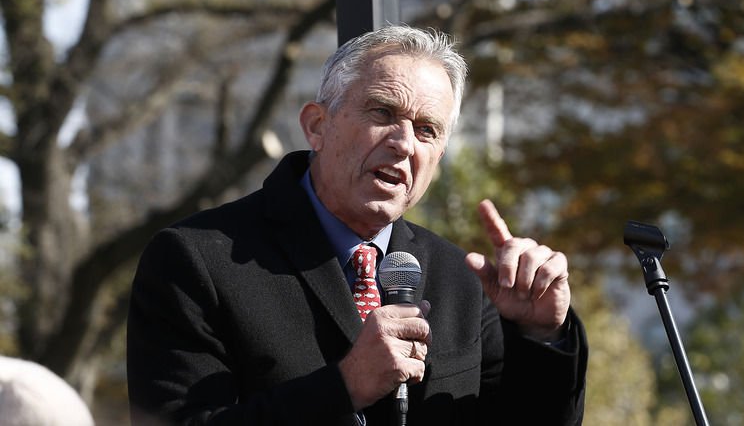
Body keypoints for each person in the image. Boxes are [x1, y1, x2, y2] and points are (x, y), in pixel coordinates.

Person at [127, 25, 587, 426]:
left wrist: (541, 338)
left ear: (439, 157)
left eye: (427, 130)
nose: (405, 144)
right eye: (383, 113)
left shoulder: (464, 282)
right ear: (317, 126)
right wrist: (344, 388)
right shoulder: (195, 259)